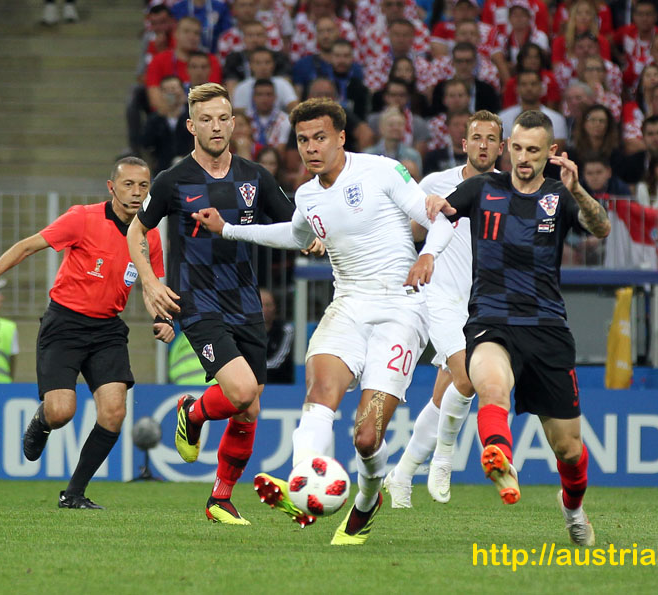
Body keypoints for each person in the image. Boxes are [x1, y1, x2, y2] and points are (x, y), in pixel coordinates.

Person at [191, 97, 456, 545]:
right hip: (347, 305)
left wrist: (428, 254)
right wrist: (228, 229)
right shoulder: (308, 195)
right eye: (302, 140)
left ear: (341, 138)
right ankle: (301, 484)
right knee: (319, 395)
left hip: (401, 308)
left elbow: (441, 218)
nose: (311, 148)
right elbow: (293, 234)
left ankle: (367, 500)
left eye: (319, 138)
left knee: (366, 438)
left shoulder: (382, 171)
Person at [427, 109, 611, 546]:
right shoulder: (482, 188)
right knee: (491, 386)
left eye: (533, 150)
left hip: (547, 328)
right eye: (517, 148)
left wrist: (578, 191)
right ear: (507, 147)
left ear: (551, 152)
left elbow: (601, 227)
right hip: (491, 320)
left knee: (568, 449)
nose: (523, 158)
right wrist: (433, 207)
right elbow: (442, 213)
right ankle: (500, 458)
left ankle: (573, 508)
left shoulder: (559, 195)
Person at [127, 83, 304, 526]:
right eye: (206, 119)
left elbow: (292, 224)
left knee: (250, 407)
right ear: (191, 126)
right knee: (240, 392)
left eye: (223, 118)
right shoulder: (172, 180)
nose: (216, 126)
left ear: (233, 122)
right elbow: (136, 231)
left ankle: (219, 500)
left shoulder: (254, 177)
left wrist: (313, 238)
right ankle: (193, 411)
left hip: (246, 303)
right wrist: (149, 282)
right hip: (198, 302)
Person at [0, 157, 172, 509]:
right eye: (128, 184)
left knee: (114, 413)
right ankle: (42, 421)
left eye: (143, 185)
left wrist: (162, 317)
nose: (136, 192)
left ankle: (73, 494)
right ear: (111, 187)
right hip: (65, 323)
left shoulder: (149, 236)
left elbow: (151, 287)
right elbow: (26, 246)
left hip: (107, 328)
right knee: (61, 411)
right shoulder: (82, 218)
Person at [384, 110, 504, 508]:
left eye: (491, 139)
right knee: (468, 378)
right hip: (440, 297)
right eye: (477, 138)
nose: (483, 145)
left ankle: (401, 475)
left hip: (481, 302)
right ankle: (443, 459)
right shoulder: (436, 183)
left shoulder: (510, 191)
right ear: (464, 144)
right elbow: (412, 229)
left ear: (501, 147)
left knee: (444, 396)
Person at [261, 288, 294, 384]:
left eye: (268, 305)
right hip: (252, 384)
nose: (264, 309)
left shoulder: (285, 330)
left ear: (274, 307)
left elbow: (278, 362)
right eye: (260, 305)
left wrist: (251, 369)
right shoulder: (246, 331)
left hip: (281, 384)